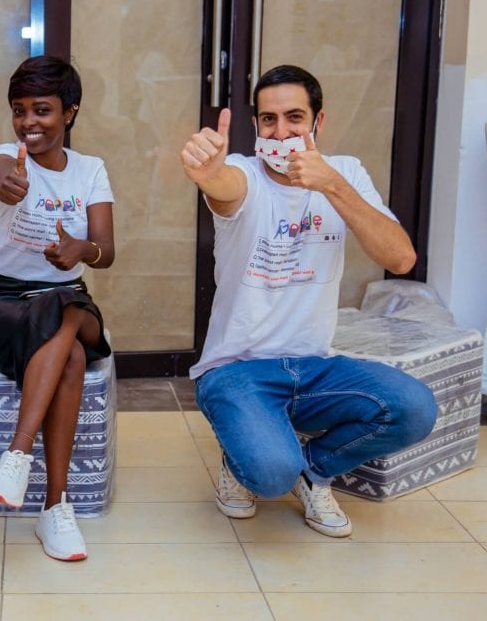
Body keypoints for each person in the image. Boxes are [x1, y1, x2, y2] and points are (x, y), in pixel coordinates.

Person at [180, 65, 437, 537]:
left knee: (415, 407)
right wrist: (208, 174)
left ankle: (314, 472)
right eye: (268, 120)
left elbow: (400, 258)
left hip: (316, 367)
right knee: (267, 474)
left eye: (294, 118)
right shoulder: (244, 173)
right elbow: (224, 190)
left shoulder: (346, 173)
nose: (281, 132)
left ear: (319, 122)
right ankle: (248, 451)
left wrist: (331, 184)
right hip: (237, 370)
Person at [0, 56, 115, 561]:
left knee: (65, 301)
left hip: (70, 300)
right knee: (70, 353)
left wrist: (81, 250)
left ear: (70, 112)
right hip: (0, 302)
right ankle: (55, 507)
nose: (29, 122)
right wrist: (10, 180)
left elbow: (106, 252)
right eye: (20, 110)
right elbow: (0, 171)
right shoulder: (4, 158)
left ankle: (18, 453)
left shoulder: (91, 169)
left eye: (43, 110)